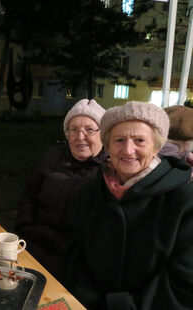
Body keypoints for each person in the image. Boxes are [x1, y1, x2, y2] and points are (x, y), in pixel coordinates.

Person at [65, 101, 193, 309]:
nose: (128, 150)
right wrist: (86, 296)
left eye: (139, 140)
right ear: (107, 146)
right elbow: (75, 250)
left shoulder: (184, 199)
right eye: (119, 140)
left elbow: (184, 283)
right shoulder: (90, 190)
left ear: (157, 147)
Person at [15, 99, 106, 282]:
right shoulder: (53, 157)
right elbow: (29, 196)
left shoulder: (111, 170)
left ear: (103, 134)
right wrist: (23, 229)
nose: (80, 137)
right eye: (74, 129)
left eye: (89, 129)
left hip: (76, 264)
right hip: (33, 247)